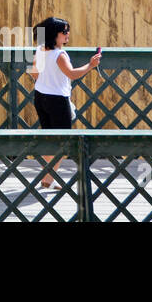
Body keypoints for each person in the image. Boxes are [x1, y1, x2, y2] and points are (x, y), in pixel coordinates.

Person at [26, 16, 101, 189]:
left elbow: (34, 73)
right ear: (54, 34)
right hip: (57, 101)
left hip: (40, 97)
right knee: (64, 141)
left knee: (50, 138)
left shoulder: (40, 49)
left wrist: (47, 80)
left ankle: (47, 179)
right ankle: (48, 180)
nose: (67, 34)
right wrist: (91, 65)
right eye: (64, 32)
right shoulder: (60, 55)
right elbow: (72, 74)